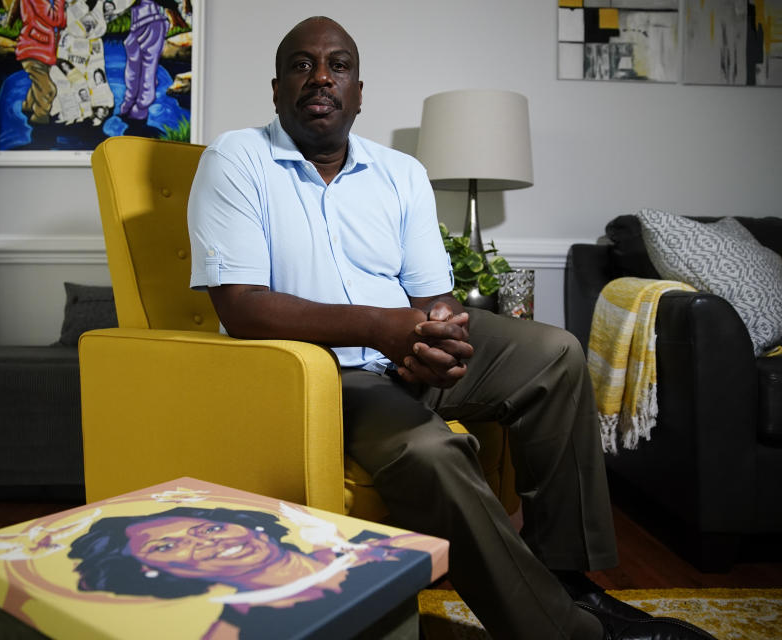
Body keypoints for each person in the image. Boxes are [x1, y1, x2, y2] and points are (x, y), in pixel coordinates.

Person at [186, 15, 717, 640]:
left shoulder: (400, 172)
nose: (321, 77)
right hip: (317, 373)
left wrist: (440, 338)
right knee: (430, 450)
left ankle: (567, 578)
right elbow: (242, 306)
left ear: (360, 91)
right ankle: (563, 631)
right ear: (277, 89)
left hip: (401, 349)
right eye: (302, 65)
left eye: (339, 65)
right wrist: (386, 329)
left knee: (556, 353)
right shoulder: (236, 158)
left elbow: (435, 297)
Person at [69, 506, 433, 639]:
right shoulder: (229, 633)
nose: (207, 543)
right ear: (152, 571)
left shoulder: (372, 548)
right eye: (166, 546)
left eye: (209, 528)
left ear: (245, 524)